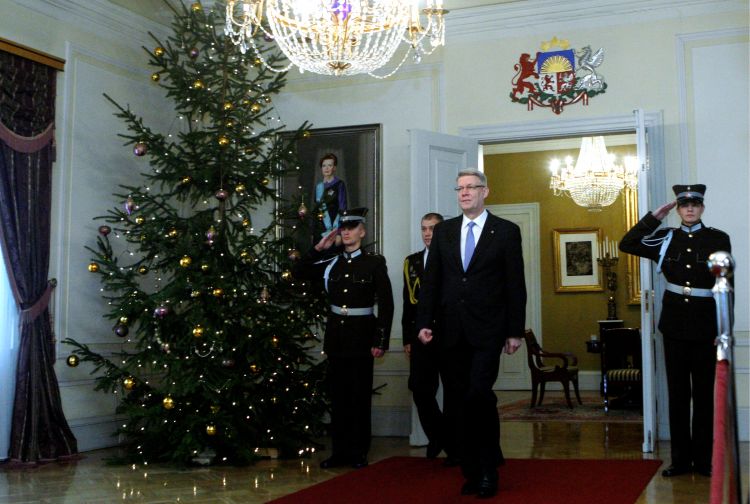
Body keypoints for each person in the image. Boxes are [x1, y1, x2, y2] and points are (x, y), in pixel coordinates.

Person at [416, 169, 526, 498]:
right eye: (459, 188)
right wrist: (424, 321)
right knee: (458, 401)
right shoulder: (445, 231)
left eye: (470, 187)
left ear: (485, 191)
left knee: (479, 394)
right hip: (450, 330)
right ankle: (471, 469)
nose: (464, 193)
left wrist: (514, 331)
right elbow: (431, 280)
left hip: (488, 330)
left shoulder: (505, 231)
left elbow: (515, 283)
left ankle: (489, 468)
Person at [619, 184, 731, 478]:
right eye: (684, 205)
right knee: (678, 395)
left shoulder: (718, 238)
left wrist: (724, 329)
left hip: (706, 326)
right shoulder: (665, 237)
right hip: (674, 326)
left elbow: (725, 285)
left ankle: (704, 461)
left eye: (694, 204)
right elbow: (627, 243)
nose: (689, 209)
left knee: (704, 397)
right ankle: (680, 461)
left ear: (702, 207)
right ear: (677, 209)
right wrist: (654, 218)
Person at [293, 207, 393, 469]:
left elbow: (386, 304)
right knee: (338, 397)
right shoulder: (332, 262)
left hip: (362, 337)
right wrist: (319, 248)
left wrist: (380, 340)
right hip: (337, 337)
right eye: (343, 228)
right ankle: (339, 452)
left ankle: (358, 452)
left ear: (362, 231)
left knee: (359, 397)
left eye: (352, 228)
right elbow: (298, 271)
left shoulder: (374, 263)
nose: (346, 232)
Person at [402, 212, 449, 459]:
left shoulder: (453, 259)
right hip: (420, 336)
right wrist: (408, 338)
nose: (428, 233)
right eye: (424, 228)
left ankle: (455, 445)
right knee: (420, 389)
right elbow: (408, 304)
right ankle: (439, 436)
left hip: (448, 334)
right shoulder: (412, 262)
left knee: (454, 392)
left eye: (433, 228)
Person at [314, 153, 348, 238]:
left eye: (329, 165)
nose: (326, 168)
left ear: (334, 168)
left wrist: (338, 231)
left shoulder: (339, 184)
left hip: (335, 226)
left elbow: (342, 207)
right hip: (320, 227)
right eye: (324, 166)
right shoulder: (319, 187)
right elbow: (317, 209)